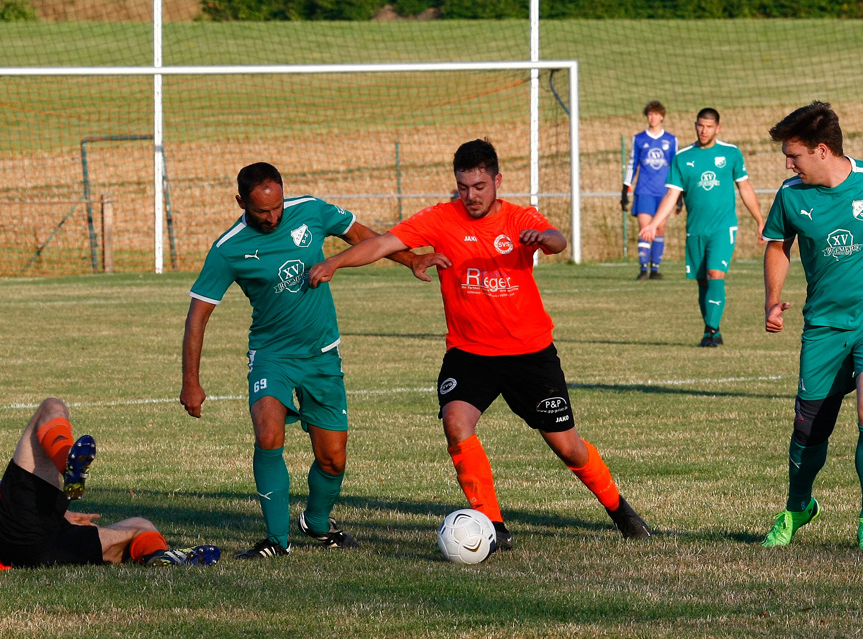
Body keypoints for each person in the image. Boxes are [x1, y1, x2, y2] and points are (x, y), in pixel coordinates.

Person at [309, 139, 652, 547]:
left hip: (531, 354)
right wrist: (334, 262)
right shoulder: (440, 218)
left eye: (479, 187)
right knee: (456, 422)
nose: (470, 196)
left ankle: (619, 510)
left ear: (497, 181)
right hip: (469, 354)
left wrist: (542, 239)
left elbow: (558, 239)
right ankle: (493, 525)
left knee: (568, 447)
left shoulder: (517, 217)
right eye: (463, 187)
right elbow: (383, 242)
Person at [180, 162, 426, 559]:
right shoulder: (229, 248)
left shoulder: (310, 210)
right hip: (272, 356)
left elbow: (361, 235)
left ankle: (315, 521)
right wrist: (191, 380)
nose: (273, 217)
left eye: (277, 207)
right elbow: (198, 314)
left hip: (322, 355)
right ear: (241, 201)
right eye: (262, 211)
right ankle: (276, 542)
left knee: (332, 459)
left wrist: (411, 259)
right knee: (268, 435)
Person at [0, 397, 219, 568]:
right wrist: (54, 504)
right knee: (50, 408)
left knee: (135, 527)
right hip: (13, 529)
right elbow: (3, 488)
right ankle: (67, 464)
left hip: (32, 554)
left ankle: (156, 555)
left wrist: (56, 517)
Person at [758, 101, 863, 547]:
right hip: (823, 326)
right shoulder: (791, 194)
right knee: (809, 431)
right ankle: (799, 506)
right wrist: (773, 300)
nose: (788, 163)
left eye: (794, 154)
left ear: (822, 150)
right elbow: (778, 246)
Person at [640, 108, 765, 347]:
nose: (704, 130)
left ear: (718, 128)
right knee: (702, 281)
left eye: (709, 126)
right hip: (695, 229)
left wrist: (760, 220)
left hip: (723, 228)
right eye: (700, 125)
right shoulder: (683, 157)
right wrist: (654, 224)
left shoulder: (731, 153)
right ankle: (712, 330)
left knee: (715, 274)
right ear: (695, 125)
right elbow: (671, 195)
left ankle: (711, 330)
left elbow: (745, 189)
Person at [622, 100, 678, 280]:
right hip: (644, 190)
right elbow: (632, 164)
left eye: (656, 114)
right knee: (645, 228)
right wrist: (625, 189)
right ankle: (643, 269)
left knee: (660, 229)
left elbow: (675, 166)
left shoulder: (670, 140)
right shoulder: (639, 139)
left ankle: (655, 269)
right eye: (650, 114)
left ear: (662, 116)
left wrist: (680, 194)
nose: (652, 117)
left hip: (664, 192)